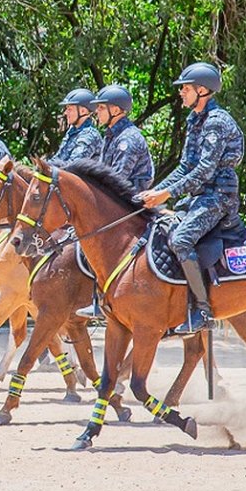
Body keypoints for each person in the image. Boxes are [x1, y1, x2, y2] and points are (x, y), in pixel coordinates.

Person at [136, 62, 244, 334]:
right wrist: (155, 193)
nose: (181, 93)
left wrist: (168, 193)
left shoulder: (217, 122)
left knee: (181, 239)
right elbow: (185, 166)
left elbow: (206, 169)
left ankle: (203, 311)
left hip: (218, 196)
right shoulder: (194, 119)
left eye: (185, 88)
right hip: (198, 195)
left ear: (203, 90)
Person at [74, 84, 153, 319]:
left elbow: (117, 179)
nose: (96, 112)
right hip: (116, 201)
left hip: (131, 203)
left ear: (116, 110)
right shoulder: (111, 136)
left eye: (101, 108)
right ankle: (99, 298)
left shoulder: (127, 139)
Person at [48, 88, 102, 166]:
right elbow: (58, 158)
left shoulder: (89, 135)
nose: (65, 113)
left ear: (83, 111)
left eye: (69, 109)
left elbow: (72, 166)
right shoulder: (72, 130)